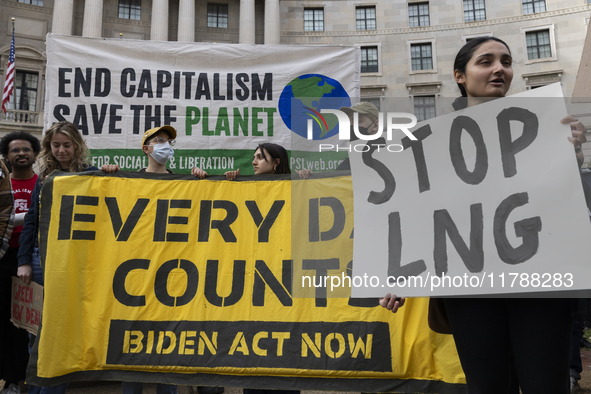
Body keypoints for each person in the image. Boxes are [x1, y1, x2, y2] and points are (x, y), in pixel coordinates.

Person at [380, 36, 587, 394]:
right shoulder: (429, 142)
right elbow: (418, 210)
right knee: (487, 386)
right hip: (470, 289)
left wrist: (572, 156)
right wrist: (399, 273)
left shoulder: (544, 126)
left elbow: (557, 200)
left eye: (506, 61)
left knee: (545, 386)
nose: (499, 69)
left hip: (540, 283)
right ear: (460, 75)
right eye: (486, 61)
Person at [16, 121, 98, 394]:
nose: (61, 150)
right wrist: (24, 260)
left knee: (62, 331)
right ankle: (37, 386)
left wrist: (110, 174)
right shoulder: (45, 178)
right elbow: (31, 221)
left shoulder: (94, 175)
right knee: (36, 331)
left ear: (77, 146)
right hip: (40, 261)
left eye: (66, 144)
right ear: (48, 147)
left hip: (74, 265)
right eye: (55, 145)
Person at [101, 125, 179, 394]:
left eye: (168, 141)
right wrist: (108, 176)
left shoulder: (184, 183)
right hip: (134, 275)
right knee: (132, 342)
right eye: (159, 141)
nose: (165, 145)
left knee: (167, 341)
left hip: (170, 276)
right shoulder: (127, 180)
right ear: (146, 149)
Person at [0, 132, 37, 394]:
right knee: (5, 320)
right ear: (6, 156)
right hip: (4, 256)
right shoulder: (3, 184)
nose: (22, 153)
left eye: (27, 149)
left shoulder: (45, 182)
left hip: (32, 258)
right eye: (16, 150)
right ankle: (10, 379)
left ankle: (24, 377)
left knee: (25, 321)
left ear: (35, 154)